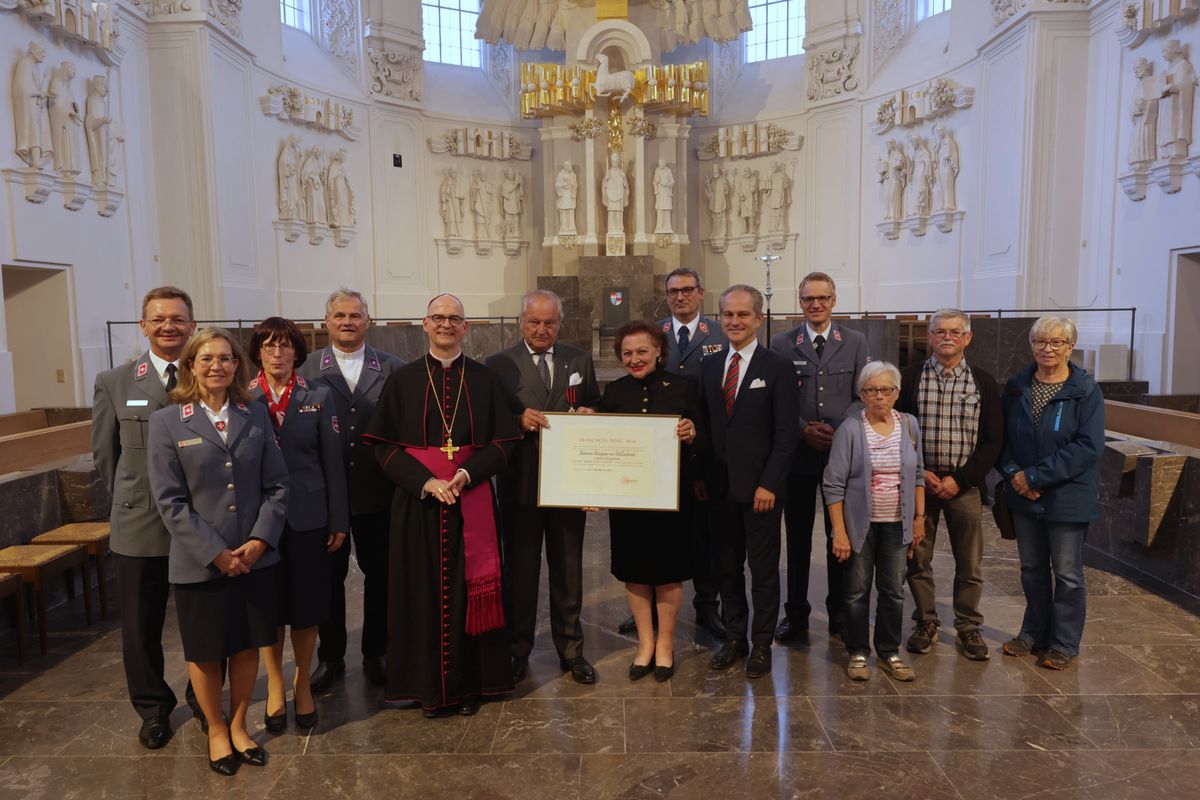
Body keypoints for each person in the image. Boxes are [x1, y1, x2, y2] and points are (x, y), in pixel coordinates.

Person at [363, 294, 520, 716]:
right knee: (420, 592)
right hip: (419, 505)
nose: (446, 324)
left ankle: (471, 687)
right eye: (438, 318)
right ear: (425, 325)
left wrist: (468, 474)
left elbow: (506, 440)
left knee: (472, 593)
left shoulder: (485, 380)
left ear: (465, 327)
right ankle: (425, 687)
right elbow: (383, 447)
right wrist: (428, 481)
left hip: (473, 499)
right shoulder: (403, 380)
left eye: (454, 318)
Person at [146, 328, 288, 776]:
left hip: (254, 559)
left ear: (237, 366)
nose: (216, 366)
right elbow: (169, 501)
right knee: (206, 652)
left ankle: (241, 724)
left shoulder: (256, 414)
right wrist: (217, 553)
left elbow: (278, 485)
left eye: (225, 359)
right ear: (190, 365)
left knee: (247, 646)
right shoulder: (167, 421)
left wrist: (260, 540)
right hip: (199, 563)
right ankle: (215, 728)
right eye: (206, 359)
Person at [92, 287, 200, 749]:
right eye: (158, 319)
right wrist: (132, 501)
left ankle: (203, 694)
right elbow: (105, 456)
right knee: (140, 624)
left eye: (177, 319)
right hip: (141, 521)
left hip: (200, 520)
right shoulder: (115, 382)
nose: (168, 326)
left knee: (204, 615)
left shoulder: (211, 371)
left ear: (192, 324)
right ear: (143, 325)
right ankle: (153, 708)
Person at [487, 290, 602, 685]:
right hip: (519, 486)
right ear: (521, 321)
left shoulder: (578, 359)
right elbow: (488, 421)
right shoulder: (499, 363)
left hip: (568, 485)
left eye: (549, 323)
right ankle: (517, 650)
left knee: (569, 570)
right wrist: (517, 421)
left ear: (560, 323)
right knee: (519, 573)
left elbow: (595, 405)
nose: (541, 330)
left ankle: (572, 650)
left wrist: (591, 413)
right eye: (534, 322)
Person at [299, 289, 404, 692]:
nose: (348, 321)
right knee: (329, 579)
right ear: (326, 322)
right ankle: (331, 657)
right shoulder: (306, 370)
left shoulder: (393, 368)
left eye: (356, 315)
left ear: (368, 321)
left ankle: (376, 652)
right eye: (340, 315)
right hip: (325, 499)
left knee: (381, 577)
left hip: (378, 494)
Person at [248, 318, 349, 733]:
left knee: (306, 608)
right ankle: (274, 685)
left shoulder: (318, 396)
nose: (277, 353)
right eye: (269, 346)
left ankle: (302, 681)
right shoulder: (242, 399)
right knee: (269, 609)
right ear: (257, 352)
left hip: (309, 519)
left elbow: (333, 464)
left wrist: (338, 518)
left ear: (297, 352)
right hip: (259, 522)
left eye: (285, 346)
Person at [700, 285, 797, 678]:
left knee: (763, 571)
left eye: (743, 315)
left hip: (761, 492)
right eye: (728, 315)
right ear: (719, 318)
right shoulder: (709, 365)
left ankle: (761, 643)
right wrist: (702, 479)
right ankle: (735, 637)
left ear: (758, 318)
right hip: (719, 489)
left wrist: (770, 484)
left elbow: (786, 434)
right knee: (726, 568)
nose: (734, 322)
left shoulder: (777, 367)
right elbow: (707, 428)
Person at [896, 309, 1003, 661]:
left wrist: (960, 479)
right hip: (920, 485)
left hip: (964, 487)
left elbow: (992, 441)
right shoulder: (909, 379)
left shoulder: (983, 382)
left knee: (969, 562)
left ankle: (968, 625)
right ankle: (926, 620)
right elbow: (900, 432)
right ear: (929, 336)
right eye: (939, 331)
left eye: (954, 332)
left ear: (967, 338)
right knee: (918, 558)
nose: (947, 337)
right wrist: (920, 472)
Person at [999, 316, 1104, 671]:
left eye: (1057, 342)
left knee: (1068, 573)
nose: (1048, 348)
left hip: (1067, 497)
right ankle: (1034, 633)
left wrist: (1035, 476)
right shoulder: (1017, 386)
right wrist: (1015, 475)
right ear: (1031, 345)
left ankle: (1064, 642)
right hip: (1024, 496)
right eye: (1041, 341)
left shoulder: (1085, 390)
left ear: (1070, 347)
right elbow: (1003, 440)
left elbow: (1088, 447)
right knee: (1031, 570)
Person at [600, 321, 703, 682]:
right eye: (627, 353)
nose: (635, 359)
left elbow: (704, 438)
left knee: (669, 571)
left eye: (642, 351)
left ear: (659, 351)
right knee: (635, 570)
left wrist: (692, 435)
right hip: (628, 499)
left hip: (671, 497)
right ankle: (645, 643)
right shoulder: (613, 391)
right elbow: (602, 444)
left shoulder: (684, 387)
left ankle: (666, 645)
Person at [770, 272, 869, 643]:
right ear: (800, 302)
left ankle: (840, 613)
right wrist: (801, 429)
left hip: (839, 456)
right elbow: (777, 398)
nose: (816, 304)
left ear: (833, 301)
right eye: (809, 299)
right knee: (796, 540)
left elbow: (864, 392)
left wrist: (840, 429)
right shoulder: (782, 343)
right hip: (797, 455)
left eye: (822, 298)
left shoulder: (856, 342)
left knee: (837, 536)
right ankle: (795, 615)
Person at [639, 267, 728, 639]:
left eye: (687, 290)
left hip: (704, 447)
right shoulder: (652, 334)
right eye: (673, 291)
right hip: (658, 451)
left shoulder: (721, 333)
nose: (680, 297)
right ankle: (650, 607)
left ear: (701, 293)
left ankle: (707, 605)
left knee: (707, 533)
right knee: (656, 530)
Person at [824, 361, 925, 682]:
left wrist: (919, 517)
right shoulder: (850, 429)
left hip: (898, 523)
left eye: (885, 390)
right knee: (856, 591)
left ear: (896, 393)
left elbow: (918, 474)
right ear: (861, 394)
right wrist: (838, 532)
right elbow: (833, 484)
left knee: (893, 591)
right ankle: (856, 651)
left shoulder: (910, 425)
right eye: (871, 390)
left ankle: (889, 651)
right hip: (859, 527)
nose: (878, 396)